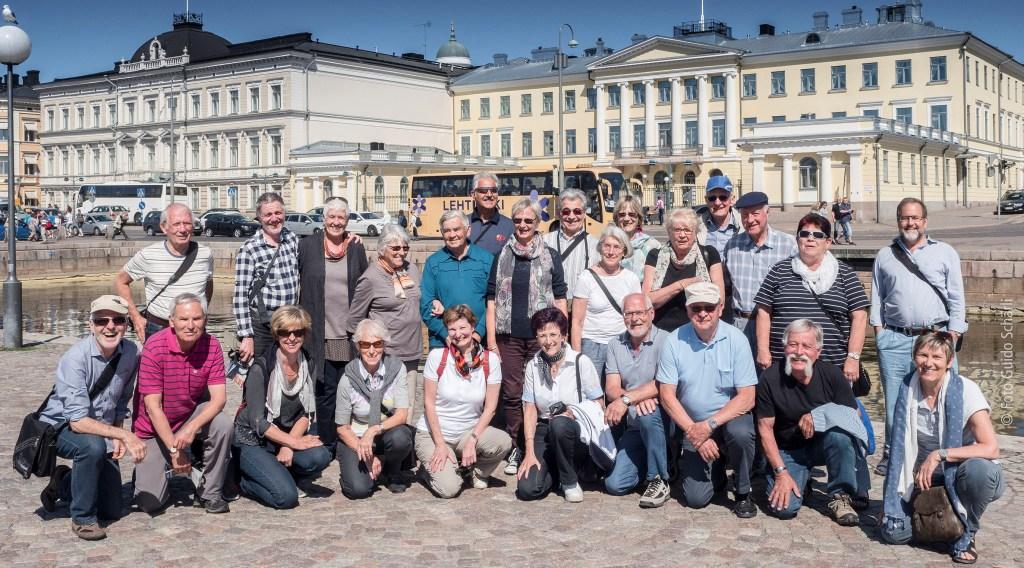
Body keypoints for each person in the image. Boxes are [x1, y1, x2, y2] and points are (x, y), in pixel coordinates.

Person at [880, 332, 1003, 564]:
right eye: (922, 355)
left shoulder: (966, 390)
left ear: (949, 362)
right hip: (924, 478)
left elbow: (991, 448)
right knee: (894, 533)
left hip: (961, 473)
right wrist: (889, 503)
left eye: (937, 357)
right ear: (914, 357)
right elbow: (898, 451)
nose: (928, 363)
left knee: (980, 472)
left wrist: (941, 454)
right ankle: (940, 524)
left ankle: (968, 532)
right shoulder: (907, 389)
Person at [871, 198, 968, 477]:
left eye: (915, 218)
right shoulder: (885, 255)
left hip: (936, 337)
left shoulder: (945, 252)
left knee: (946, 397)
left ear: (925, 221)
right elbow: (876, 298)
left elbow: (957, 297)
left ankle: (948, 453)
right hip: (896, 339)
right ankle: (893, 455)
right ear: (898, 220)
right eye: (904, 218)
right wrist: (880, 333)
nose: (910, 223)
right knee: (895, 402)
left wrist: (952, 334)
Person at [37, 295, 146, 540]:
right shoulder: (75, 359)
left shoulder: (131, 353)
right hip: (60, 426)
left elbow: (121, 399)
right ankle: (83, 519)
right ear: (91, 325)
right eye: (101, 321)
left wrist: (117, 430)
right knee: (92, 447)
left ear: (126, 325)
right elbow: (77, 421)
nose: (110, 327)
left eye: (118, 320)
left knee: (112, 509)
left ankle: (65, 481)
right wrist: (123, 435)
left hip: (102, 428)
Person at [657, 282, 759, 517]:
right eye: (696, 308)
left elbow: (747, 397)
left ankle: (743, 492)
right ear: (687, 309)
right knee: (695, 499)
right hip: (691, 424)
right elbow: (666, 395)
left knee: (742, 433)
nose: (703, 313)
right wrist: (696, 432)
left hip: (727, 419)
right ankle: (718, 471)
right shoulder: (674, 341)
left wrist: (710, 425)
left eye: (709, 307)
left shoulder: (737, 340)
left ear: (720, 308)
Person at [486, 197, 568, 475]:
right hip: (508, 336)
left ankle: (540, 445)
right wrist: (490, 340)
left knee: (538, 393)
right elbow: (491, 299)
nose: (522, 225)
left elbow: (559, 295)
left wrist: (562, 334)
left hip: (540, 337)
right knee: (511, 394)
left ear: (537, 223)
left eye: (528, 221)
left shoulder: (550, 255)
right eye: (518, 220)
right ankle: (515, 446)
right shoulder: (502, 254)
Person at [132, 293, 233, 514]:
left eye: (196, 319)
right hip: (153, 426)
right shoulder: (154, 347)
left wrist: (190, 428)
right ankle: (158, 466)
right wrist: (174, 449)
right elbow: (152, 407)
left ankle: (210, 492)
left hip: (188, 414)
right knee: (150, 503)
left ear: (205, 320)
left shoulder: (212, 345)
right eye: (183, 319)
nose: (190, 325)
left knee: (223, 424)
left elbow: (219, 399)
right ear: (171, 321)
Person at [756, 319, 863, 525]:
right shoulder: (770, 378)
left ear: (818, 351)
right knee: (784, 509)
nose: (799, 351)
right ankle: (798, 480)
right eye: (793, 344)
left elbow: (854, 415)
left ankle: (840, 496)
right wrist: (781, 473)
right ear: (784, 347)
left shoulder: (831, 374)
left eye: (806, 346)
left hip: (822, 445)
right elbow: (765, 429)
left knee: (840, 437)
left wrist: (820, 414)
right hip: (787, 450)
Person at [233, 306, 331, 509]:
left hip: (282, 437)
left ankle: (280, 471)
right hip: (253, 439)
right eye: (285, 332)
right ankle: (242, 481)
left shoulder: (308, 363)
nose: (292, 338)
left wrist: (288, 445)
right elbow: (258, 423)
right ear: (277, 334)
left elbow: (306, 412)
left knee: (321, 456)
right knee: (285, 498)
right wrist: (294, 443)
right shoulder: (261, 368)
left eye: (298, 332)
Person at [755, 213, 869, 381]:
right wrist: (763, 350)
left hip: (833, 366)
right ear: (797, 239)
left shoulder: (845, 274)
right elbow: (763, 312)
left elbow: (860, 317)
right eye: (804, 234)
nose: (810, 239)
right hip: (786, 365)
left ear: (828, 242)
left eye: (817, 235)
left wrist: (853, 358)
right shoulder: (779, 271)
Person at [415, 305, 511, 497]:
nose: (458, 334)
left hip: (467, 433)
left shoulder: (489, 361)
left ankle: (474, 471)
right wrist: (440, 444)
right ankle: (429, 471)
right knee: (449, 490)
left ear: (473, 328)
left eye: (462, 328)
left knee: (503, 441)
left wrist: (473, 439)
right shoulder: (437, 357)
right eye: (452, 329)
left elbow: (490, 408)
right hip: (434, 434)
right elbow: (429, 404)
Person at [297, 196, 368, 449]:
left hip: (346, 332)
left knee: (347, 387)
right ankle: (327, 440)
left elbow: (364, 287)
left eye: (341, 217)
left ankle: (346, 436)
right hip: (319, 332)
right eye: (332, 217)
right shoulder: (307, 246)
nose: (336, 222)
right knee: (325, 389)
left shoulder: (356, 247)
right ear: (323, 219)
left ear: (347, 221)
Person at [516, 307, 604, 502]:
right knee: (528, 489)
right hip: (544, 428)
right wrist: (529, 452)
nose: (548, 341)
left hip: (575, 431)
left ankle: (569, 481)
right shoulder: (533, 365)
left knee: (560, 424)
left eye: (553, 334)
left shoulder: (581, 362)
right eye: (542, 335)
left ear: (564, 335)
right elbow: (530, 408)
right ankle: (555, 470)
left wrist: (573, 412)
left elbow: (599, 403)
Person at [349, 223, 423, 427]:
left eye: (405, 248)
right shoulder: (371, 278)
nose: (401, 252)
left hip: (411, 352)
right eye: (396, 248)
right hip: (385, 355)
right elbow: (354, 320)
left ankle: (405, 455)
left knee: (406, 409)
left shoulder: (412, 270)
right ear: (382, 249)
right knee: (384, 411)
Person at [602, 293, 671, 508]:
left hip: (663, 420)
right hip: (634, 423)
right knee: (615, 485)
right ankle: (654, 462)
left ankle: (658, 479)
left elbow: (663, 384)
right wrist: (629, 400)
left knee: (648, 413)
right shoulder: (615, 344)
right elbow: (611, 387)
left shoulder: (668, 341)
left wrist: (628, 399)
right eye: (629, 313)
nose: (635, 318)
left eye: (639, 312)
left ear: (651, 313)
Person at [335, 319, 414, 497]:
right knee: (358, 490)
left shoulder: (397, 369)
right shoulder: (347, 379)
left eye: (377, 344)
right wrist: (365, 453)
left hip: (385, 433)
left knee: (401, 437)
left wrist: (374, 430)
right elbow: (342, 428)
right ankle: (362, 467)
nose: (372, 351)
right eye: (365, 345)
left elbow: (402, 414)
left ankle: (392, 470)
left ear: (384, 344)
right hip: (356, 438)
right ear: (357, 346)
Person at [115, 203, 214, 341]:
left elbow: (208, 284)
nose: (183, 229)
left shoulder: (205, 254)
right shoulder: (148, 255)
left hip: (194, 328)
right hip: (159, 328)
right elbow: (121, 280)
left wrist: (202, 311)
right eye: (177, 224)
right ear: (164, 227)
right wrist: (135, 317)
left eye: (187, 223)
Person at [722, 192, 798, 350]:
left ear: (767, 212)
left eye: (755, 214)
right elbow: (727, 286)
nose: (750, 220)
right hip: (740, 324)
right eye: (744, 215)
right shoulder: (732, 246)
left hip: (775, 324)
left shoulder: (788, 245)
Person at [233, 192, 300, 365]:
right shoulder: (249, 249)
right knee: (258, 376)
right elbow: (240, 296)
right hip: (262, 327)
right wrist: (246, 335)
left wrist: (348, 239)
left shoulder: (292, 239)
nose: (274, 218)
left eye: (278, 213)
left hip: (288, 324)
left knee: (287, 374)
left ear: (284, 214)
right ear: (259, 218)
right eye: (268, 214)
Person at [570, 225, 641, 380]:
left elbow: (637, 317)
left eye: (617, 247)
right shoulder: (586, 278)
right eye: (607, 246)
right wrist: (577, 356)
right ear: (600, 248)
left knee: (618, 394)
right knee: (591, 394)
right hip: (592, 345)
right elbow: (577, 321)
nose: (611, 251)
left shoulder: (631, 279)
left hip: (622, 344)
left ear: (624, 251)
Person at [642, 208, 726, 332]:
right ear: (669, 232)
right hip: (659, 332)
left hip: (699, 332)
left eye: (687, 230)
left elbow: (719, 297)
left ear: (695, 232)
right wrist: (681, 285)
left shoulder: (709, 254)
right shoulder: (655, 256)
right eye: (677, 230)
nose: (682, 235)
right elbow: (646, 300)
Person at [420, 210, 494, 350]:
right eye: (447, 231)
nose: (452, 235)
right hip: (443, 342)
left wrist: (478, 333)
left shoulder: (486, 260)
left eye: (456, 229)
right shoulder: (433, 262)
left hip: (479, 340)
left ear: (468, 230)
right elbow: (426, 304)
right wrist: (447, 335)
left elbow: (493, 302)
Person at [543, 188, 599, 310]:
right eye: (566, 211)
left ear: (584, 213)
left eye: (577, 211)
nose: (572, 216)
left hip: (584, 311)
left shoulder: (596, 245)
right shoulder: (545, 242)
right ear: (559, 214)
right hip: (552, 310)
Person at [613, 194, 661, 279]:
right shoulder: (608, 245)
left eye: (632, 214)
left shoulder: (653, 246)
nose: (627, 219)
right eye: (622, 214)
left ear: (638, 218)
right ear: (616, 218)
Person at [468, 172, 514, 256]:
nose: (489, 195)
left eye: (493, 190)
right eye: (483, 191)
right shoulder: (463, 223)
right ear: (473, 194)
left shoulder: (510, 226)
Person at [696, 175, 744, 254]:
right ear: (706, 200)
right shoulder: (696, 226)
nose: (717, 203)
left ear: (732, 199)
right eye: (712, 198)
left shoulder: (744, 225)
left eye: (723, 197)